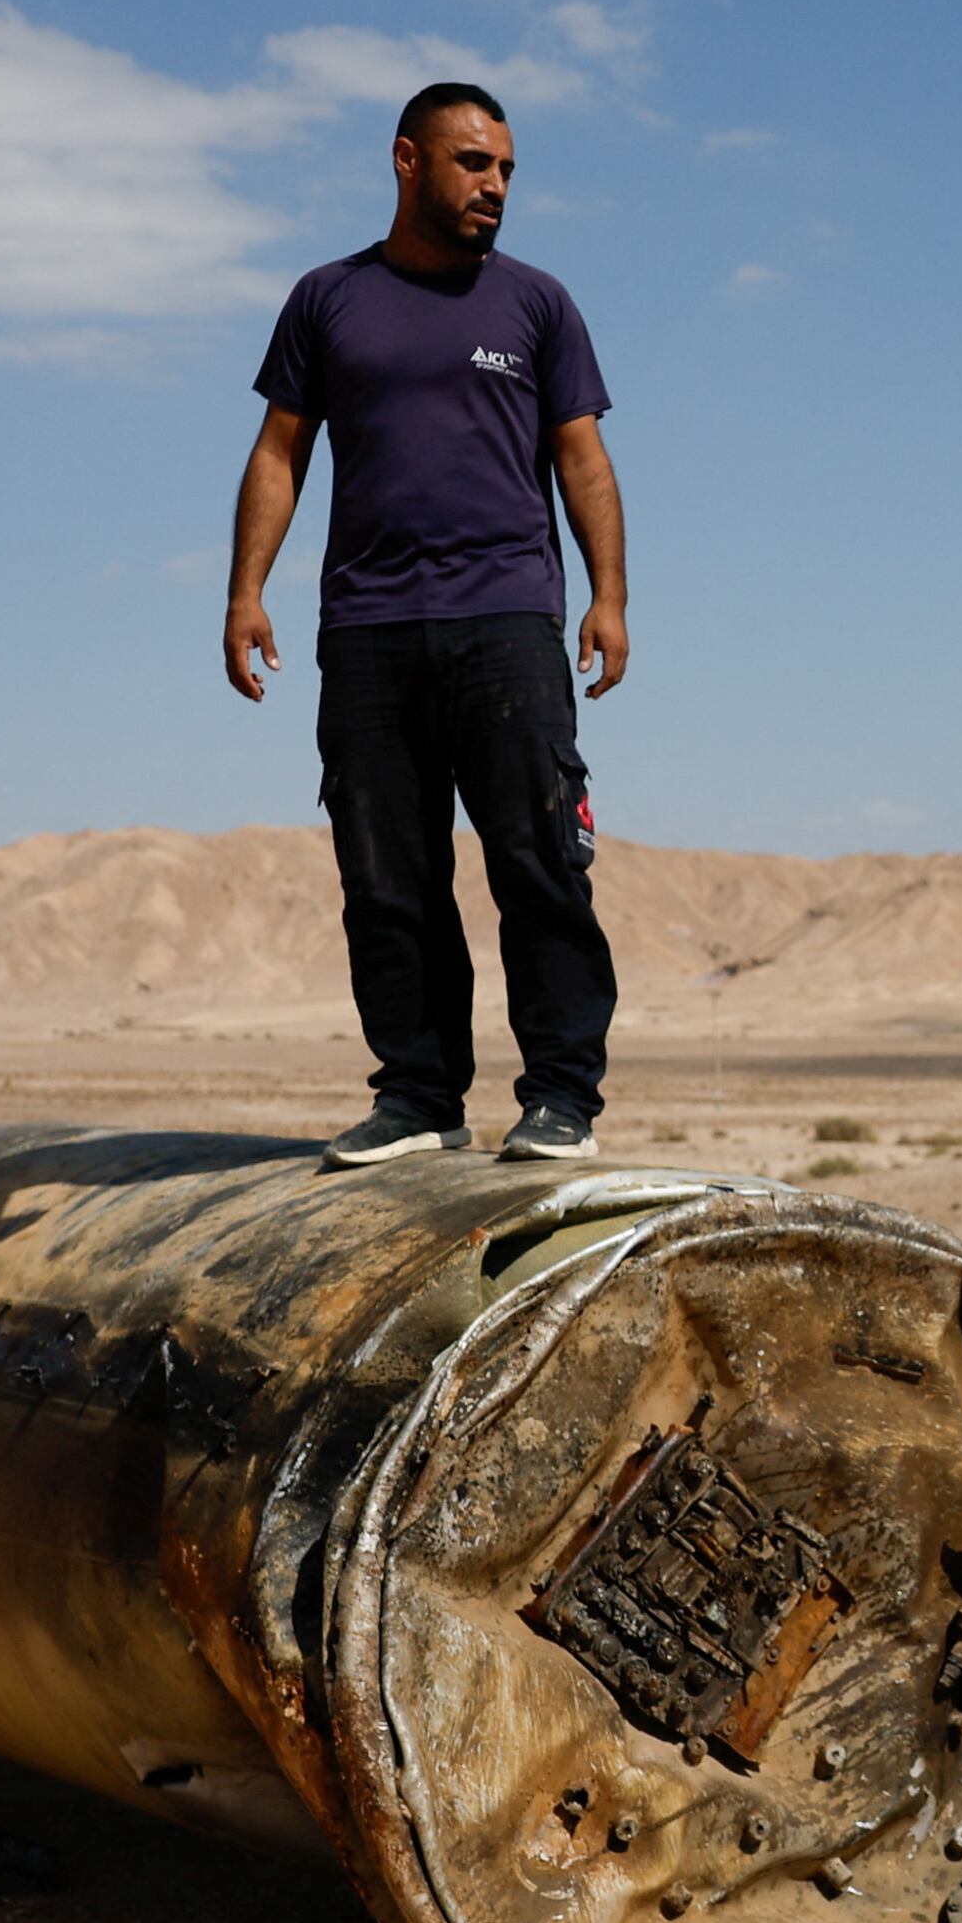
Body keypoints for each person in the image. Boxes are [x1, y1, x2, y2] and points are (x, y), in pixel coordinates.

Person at [222, 81, 633, 1168]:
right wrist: (244, 592)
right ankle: (417, 1097)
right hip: (367, 628)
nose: (492, 186)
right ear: (409, 161)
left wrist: (608, 597)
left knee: (540, 862)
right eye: (471, 163)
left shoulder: (537, 304)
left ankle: (560, 1099)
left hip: (505, 619)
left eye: (503, 168)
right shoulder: (328, 298)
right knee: (387, 878)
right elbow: (280, 449)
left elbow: (581, 458)